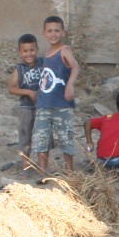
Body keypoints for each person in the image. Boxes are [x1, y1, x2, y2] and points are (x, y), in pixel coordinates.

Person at [31, 15, 80, 175]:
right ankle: (42, 172)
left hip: (62, 104)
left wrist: (70, 85)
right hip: (44, 103)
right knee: (41, 138)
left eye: (57, 31)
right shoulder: (46, 53)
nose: (53, 34)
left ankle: (69, 171)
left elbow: (75, 67)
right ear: (44, 33)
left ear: (63, 32)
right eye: (50, 31)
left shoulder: (64, 50)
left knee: (65, 137)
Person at [4, 33, 41, 173]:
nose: (29, 54)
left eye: (31, 50)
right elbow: (11, 88)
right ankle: (26, 165)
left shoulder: (43, 63)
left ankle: (41, 166)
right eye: (25, 51)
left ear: (37, 49)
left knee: (41, 137)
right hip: (26, 107)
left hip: (42, 107)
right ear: (20, 52)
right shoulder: (19, 69)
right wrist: (29, 92)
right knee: (25, 136)